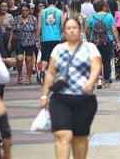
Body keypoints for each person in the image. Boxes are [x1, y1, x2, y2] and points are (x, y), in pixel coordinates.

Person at [39, 18, 101, 159]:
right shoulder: (58, 49)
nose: (72, 30)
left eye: (74, 27)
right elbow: (51, 73)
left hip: (85, 99)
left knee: (79, 137)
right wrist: (44, 95)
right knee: (62, 134)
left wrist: (91, 82)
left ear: (80, 30)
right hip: (60, 98)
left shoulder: (90, 47)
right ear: (64, 32)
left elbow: (96, 67)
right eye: (68, 28)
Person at [86, 0, 120, 89]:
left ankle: (99, 79)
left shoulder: (91, 18)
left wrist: (88, 41)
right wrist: (118, 41)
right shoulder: (109, 16)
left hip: (95, 42)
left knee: (97, 62)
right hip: (107, 41)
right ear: (103, 7)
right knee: (106, 61)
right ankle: (107, 80)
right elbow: (114, 30)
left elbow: (88, 31)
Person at [37, 0, 65, 81]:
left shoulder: (42, 12)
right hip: (56, 38)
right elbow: (64, 27)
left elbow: (39, 27)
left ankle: (42, 72)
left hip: (45, 38)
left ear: (47, 2)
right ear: (56, 2)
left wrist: (37, 39)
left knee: (45, 57)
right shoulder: (60, 12)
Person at [9, 3, 37, 85]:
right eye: (22, 10)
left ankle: (28, 77)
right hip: (19, 41)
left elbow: (36, 30)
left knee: (28, 60)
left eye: (26, 10)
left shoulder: (33, 19)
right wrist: (9, 42)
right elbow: (12, 31)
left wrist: (37, 40)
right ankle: (20, 74)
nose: (24, 12)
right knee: (20, 58)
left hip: (30, 41)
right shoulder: (16, 19)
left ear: (29, 11)